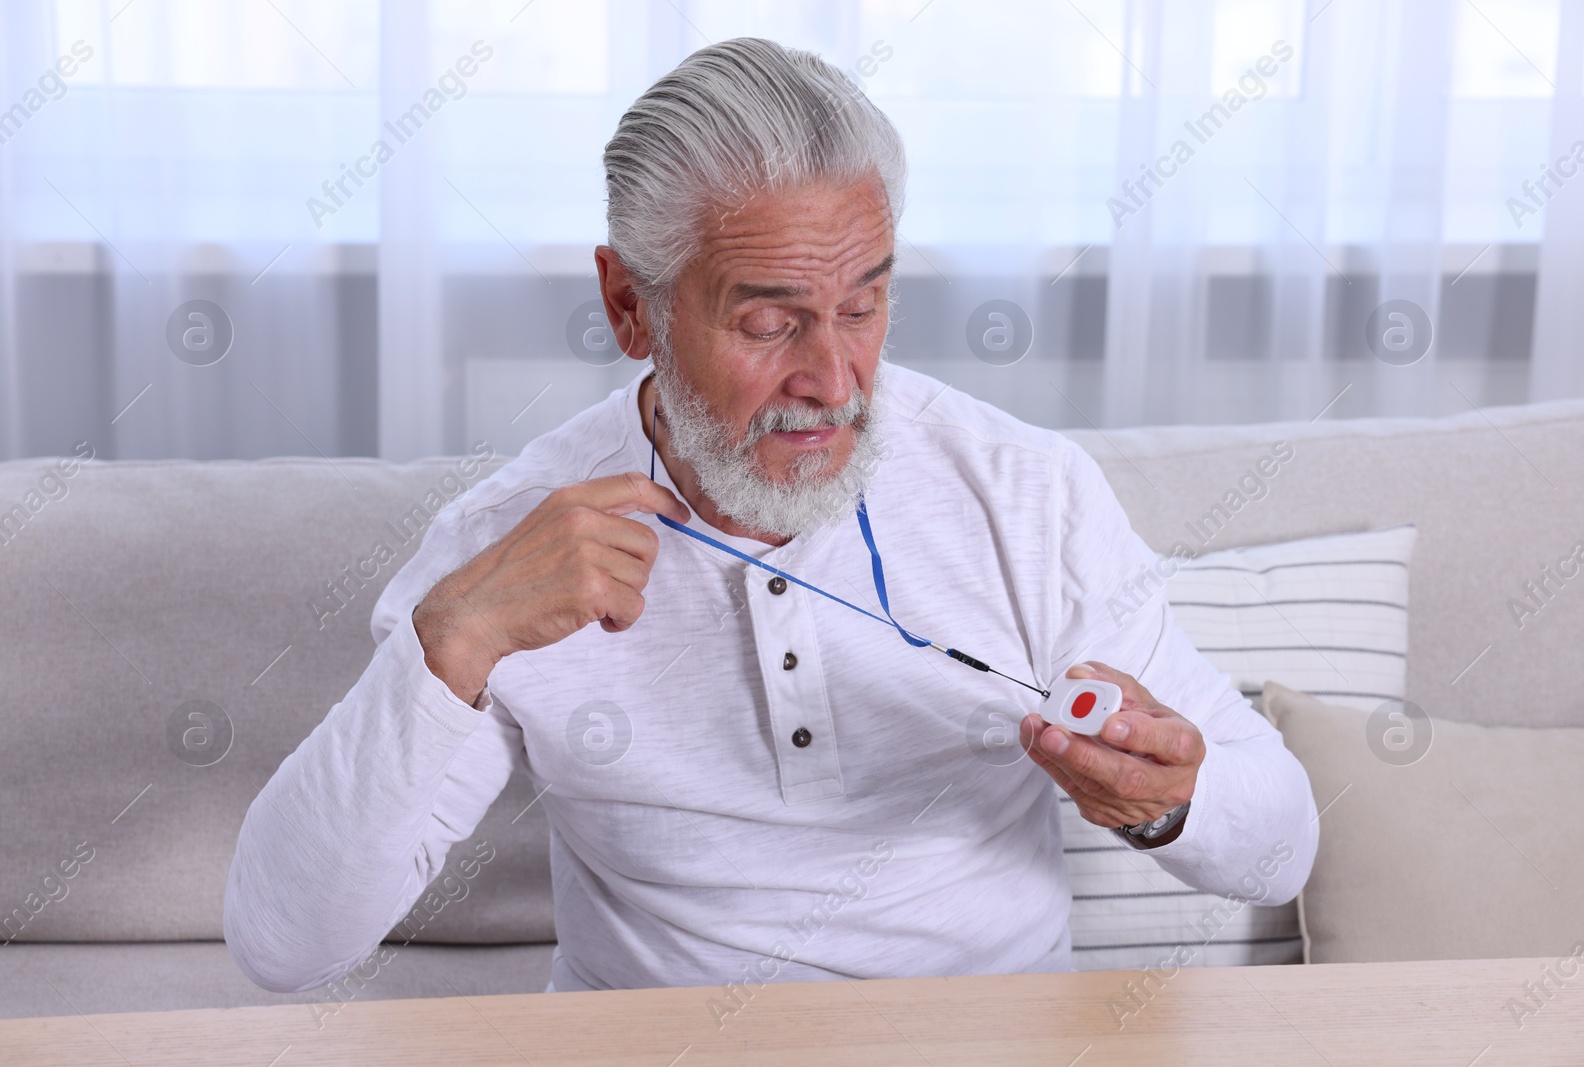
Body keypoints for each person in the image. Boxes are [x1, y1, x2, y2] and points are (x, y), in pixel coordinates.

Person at [224, 36, 1316, 996]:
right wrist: (449, 647)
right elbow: (286, 942)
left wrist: (1171, 798)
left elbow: (1279, 851)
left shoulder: (1024, 491)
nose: (833, 378)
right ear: (628, 306)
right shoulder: (512, 546)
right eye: (768, 322)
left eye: (863, 305)